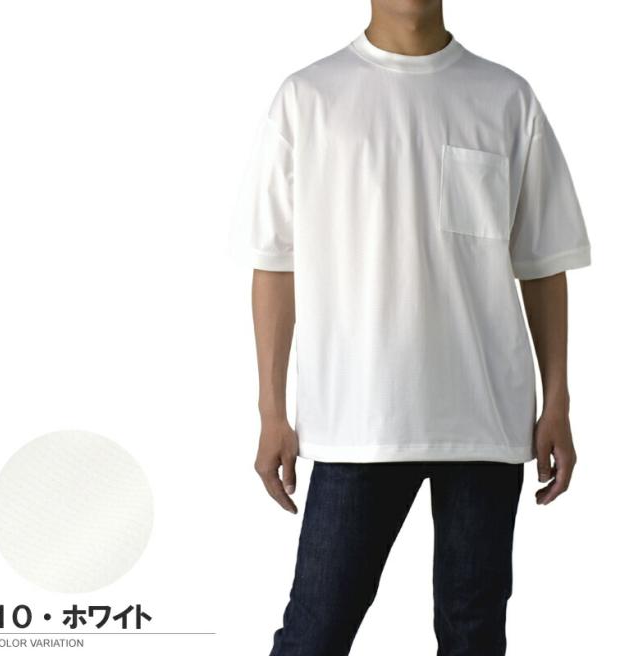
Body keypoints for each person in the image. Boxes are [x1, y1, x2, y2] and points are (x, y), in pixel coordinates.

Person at [240, 1, 591, 654]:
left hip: (486, 422)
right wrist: (270, 411)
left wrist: (558, 404)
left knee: (474, 637)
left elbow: (543, 265)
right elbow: (275, 264)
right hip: (357, 422)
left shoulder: (505, 97)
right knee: (314, 634)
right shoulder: (309, 97)